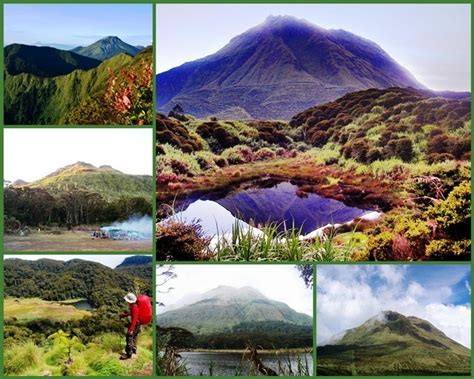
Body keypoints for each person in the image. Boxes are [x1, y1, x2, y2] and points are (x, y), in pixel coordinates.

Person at [119, 292, 152, 360]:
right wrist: (124, 315)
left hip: (136, 324)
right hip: (138, 323)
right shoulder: (134, 306)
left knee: (129, 337)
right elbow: (131, 313)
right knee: (134, 336)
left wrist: (131, 330)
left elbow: (134, 319)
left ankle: (128, 354)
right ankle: (134, 349)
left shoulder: (134, 307)